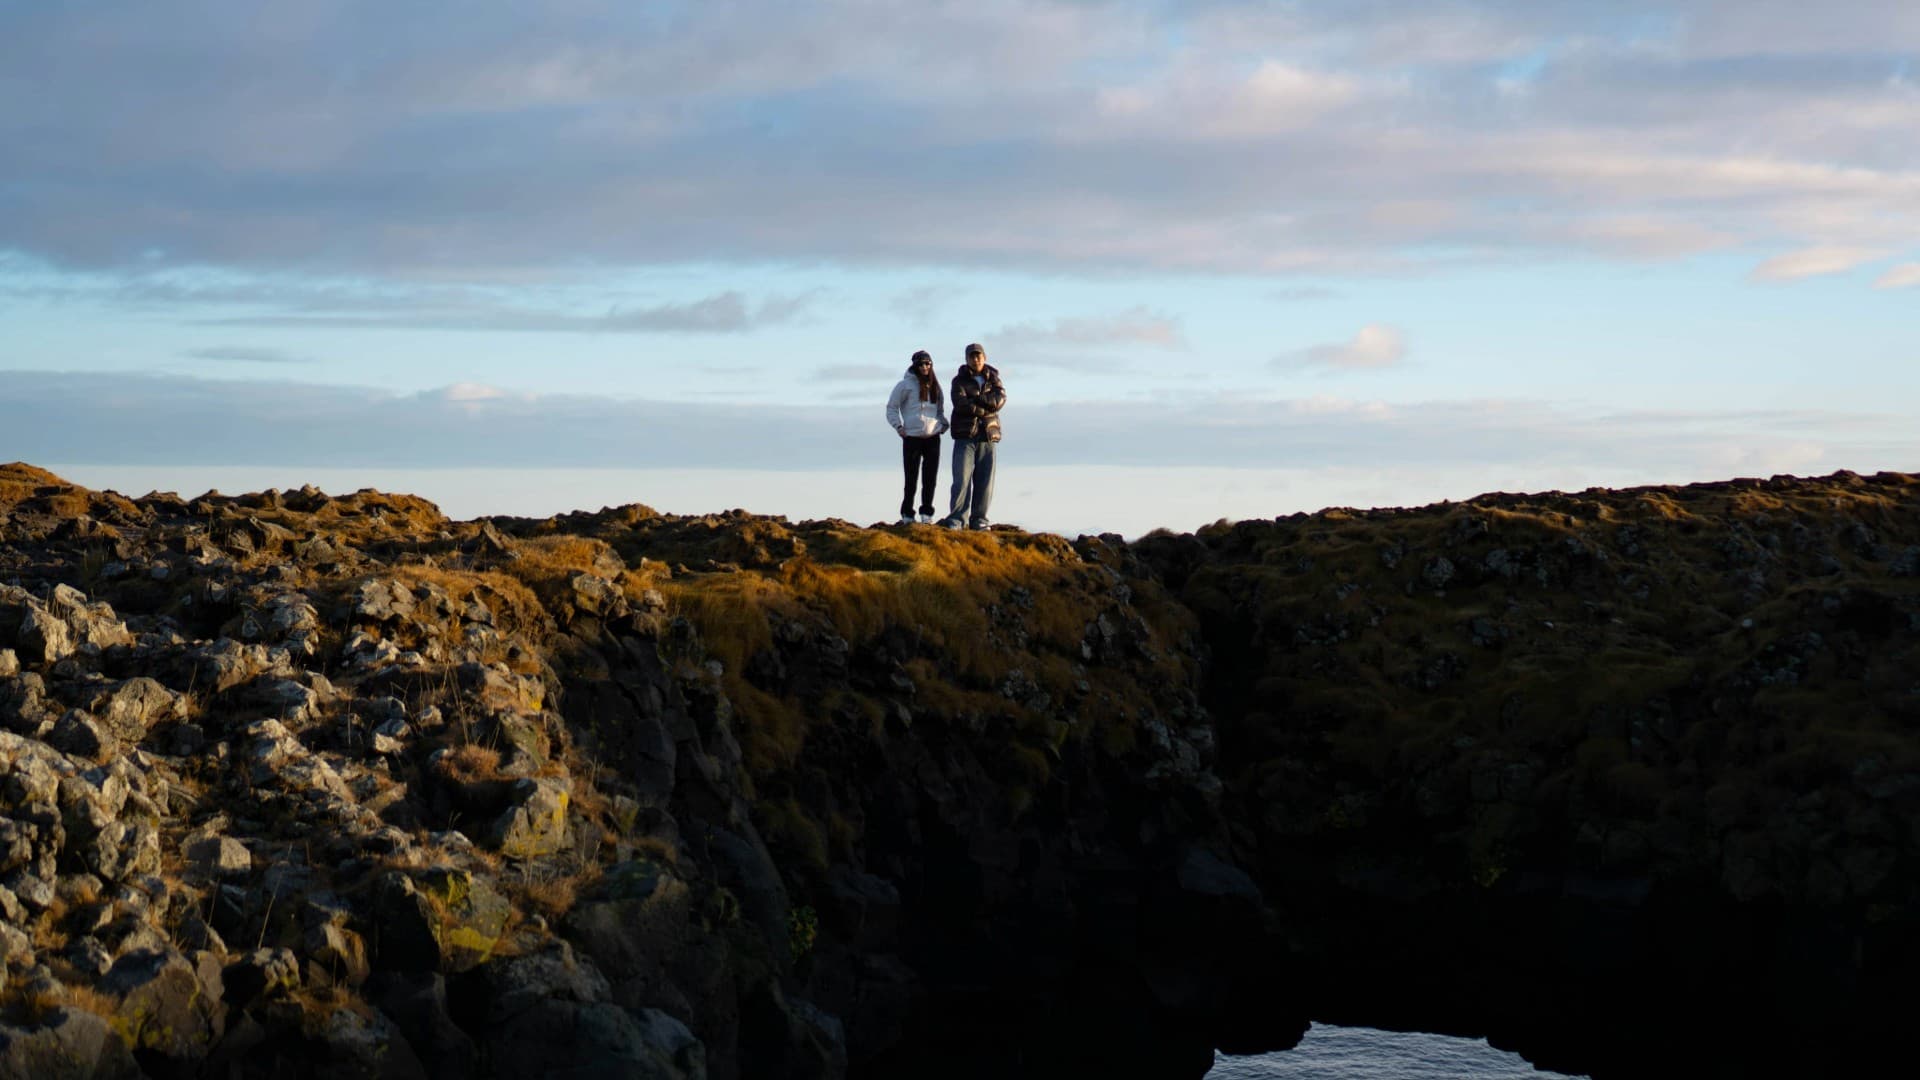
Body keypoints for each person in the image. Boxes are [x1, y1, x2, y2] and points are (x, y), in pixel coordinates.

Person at [940, 342, 1005, 530]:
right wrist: (984, 407)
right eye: (972, 356)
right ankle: (957, 519)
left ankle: (980, 520)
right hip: (964, 435)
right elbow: (960, 403)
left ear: (984, 358)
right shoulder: (958, 380)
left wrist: (976, 401)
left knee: (985, 481)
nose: (976, 359)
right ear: (967, 359)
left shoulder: (994, 379)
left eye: (978, 356)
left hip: (988, 435)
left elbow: (1000, 400)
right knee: (961, 479)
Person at [885, 350, 948, 524]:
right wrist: (898, 426)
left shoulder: (936, 385)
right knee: (911, 478)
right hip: (912, 436)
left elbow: (940, 410)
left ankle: (927, 513)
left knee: (930, 478)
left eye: (927, 363)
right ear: (914, 365)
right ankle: (907, 513)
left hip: (932, 437)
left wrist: (943, 425)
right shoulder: (904, 385)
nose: (924, 367)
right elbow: (891, 407)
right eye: (920, 364)